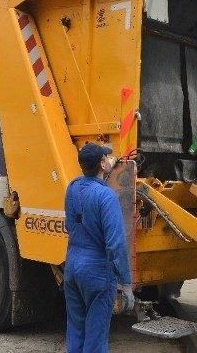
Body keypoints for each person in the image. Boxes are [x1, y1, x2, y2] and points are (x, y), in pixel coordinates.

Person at [64, 143, 134, 353]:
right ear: (102, 164)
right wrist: (126, 283)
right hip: (97, 272)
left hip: (72, 266)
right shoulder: (107, 196)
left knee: (76, 329)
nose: (109, 159)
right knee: (95, 336)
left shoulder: (72, 187)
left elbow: (70, 225)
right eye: (106, 157)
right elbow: (116, 243)